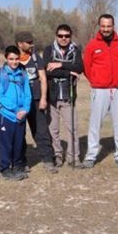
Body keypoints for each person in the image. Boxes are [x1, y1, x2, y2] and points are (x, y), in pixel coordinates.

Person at [82, 14, 118, 168]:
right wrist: (96, 81)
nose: (106, 29)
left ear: (113, 25)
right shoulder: (92, 44)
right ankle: (91, 156)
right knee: (95, 124)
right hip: (100, 90)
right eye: (103, 26)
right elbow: (87, 67)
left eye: (109, 26)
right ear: (99, 26)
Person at [14, 31, 57, 173]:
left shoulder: (36, 58)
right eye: (28, 42)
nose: (32, 44)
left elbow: (43, 78)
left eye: (32, 41)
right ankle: (21, 161)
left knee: (41, 131)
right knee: (19, 133)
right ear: (20, 44)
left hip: (37, 100)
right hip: (19, 103)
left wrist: (44, 98)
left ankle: (48, 159)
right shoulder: (14, 59)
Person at [43, 24, 84, 167]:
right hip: (52, 96)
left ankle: (74, 157)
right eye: (60, 36)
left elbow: (79, 68)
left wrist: (60, 64)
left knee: (72, 128)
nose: (63, 38)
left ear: (70, 36)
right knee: (53, 129)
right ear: (56, 36)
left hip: (68, 95)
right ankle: (58, 155)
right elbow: (47, 70)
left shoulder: (76, 50)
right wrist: (68, 72)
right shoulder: (49, 49)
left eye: (66, 36)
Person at [0, 46, 31, 181]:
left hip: (21, 115)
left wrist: (25, 109)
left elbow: (27, 93)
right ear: (6, 58)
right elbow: (0, 96)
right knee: (6, 143)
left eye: (16, 59)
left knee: (18, 142)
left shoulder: (23, 74)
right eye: (11, 59)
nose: (14, 62)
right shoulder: (1, 74)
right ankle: (5, 168)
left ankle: (17, 166)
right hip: (7, 115)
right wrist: (16, 109)